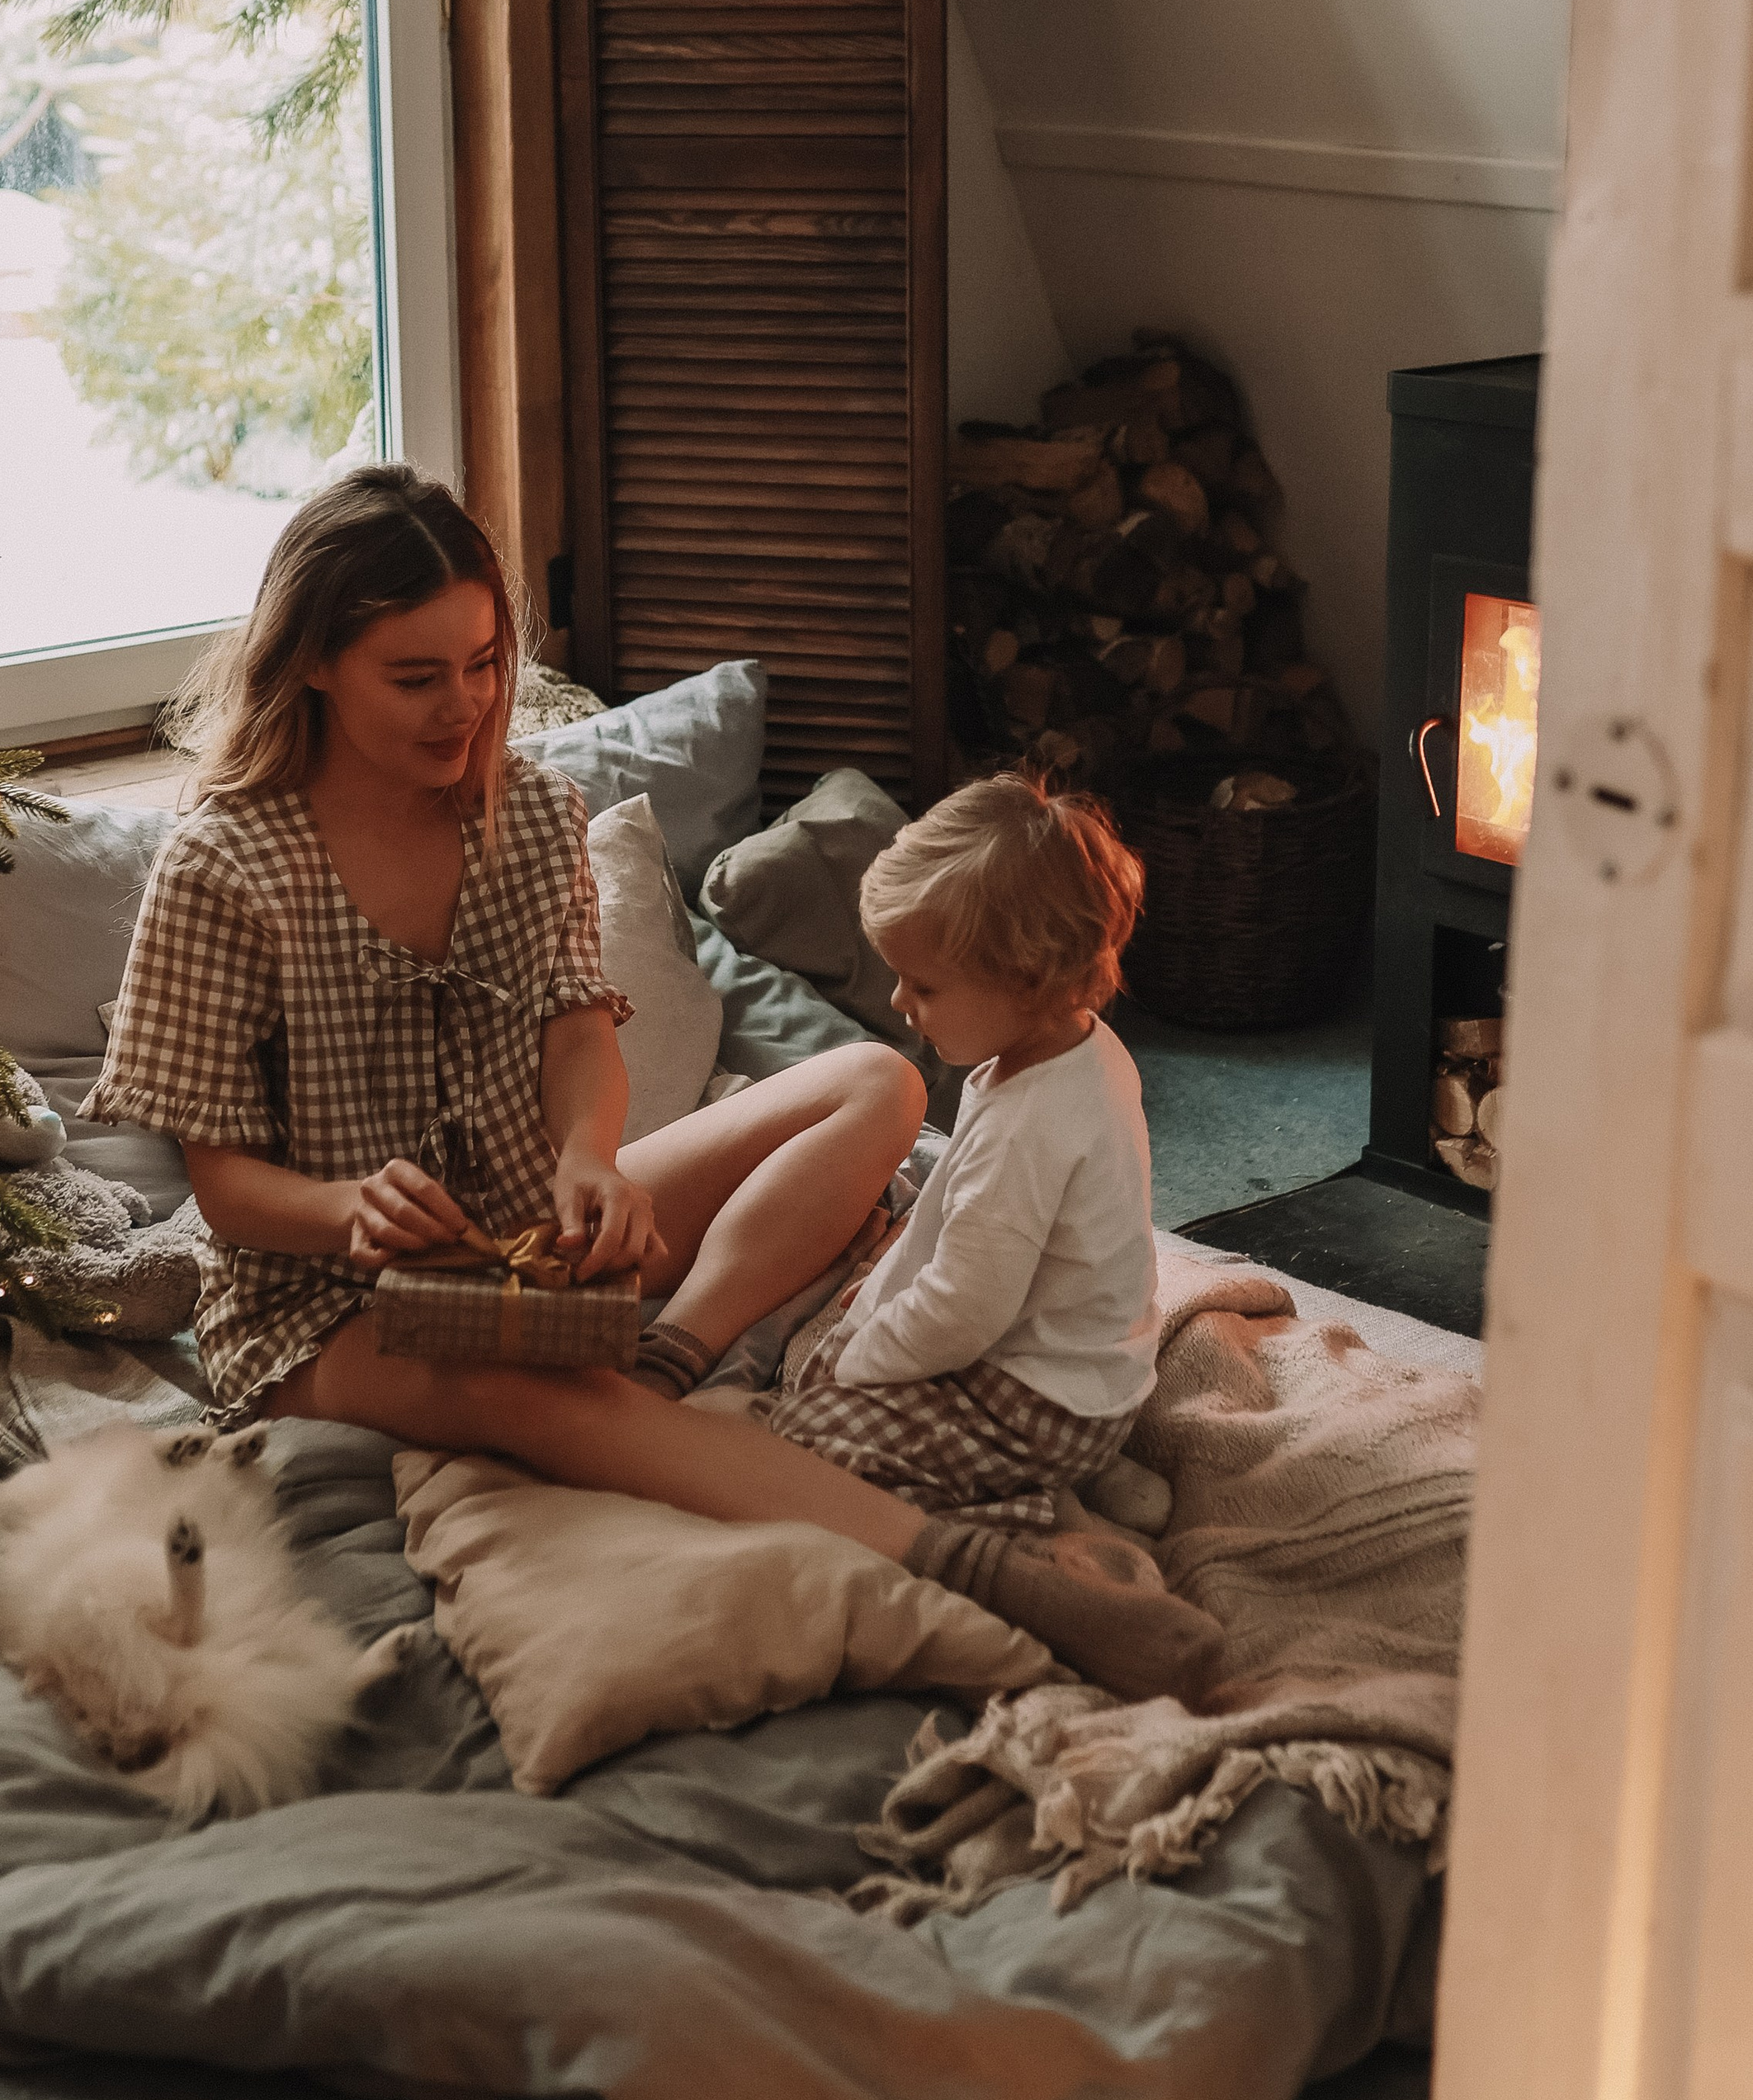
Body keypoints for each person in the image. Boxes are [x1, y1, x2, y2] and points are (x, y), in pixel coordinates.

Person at [92, 466, 1218, 1697]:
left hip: (531, 1233)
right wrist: (351, 1206)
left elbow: (579, 1031)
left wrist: (588, 1156)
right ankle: (992, 1575)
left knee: (874, 1087)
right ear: (312, 662)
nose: (464, 706)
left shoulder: (522, 811)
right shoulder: (221, 868)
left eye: (482, 664)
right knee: (536, 1390)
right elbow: (227, 1187)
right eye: (415, 678)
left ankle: (677, 1348)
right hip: (323, 1299)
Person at [763, 778, 1166, 1557]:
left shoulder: (1027, 1129)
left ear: (1028, 978)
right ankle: (1087, 1468)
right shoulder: (1081, 1049)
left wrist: (858, 1362)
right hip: (1100, 1379)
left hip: (1039, 1404)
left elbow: (963, 1310)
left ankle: (1046, 1516)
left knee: (806, 1447)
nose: (900, 1000)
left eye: (926, 985)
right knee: (858, 1328)